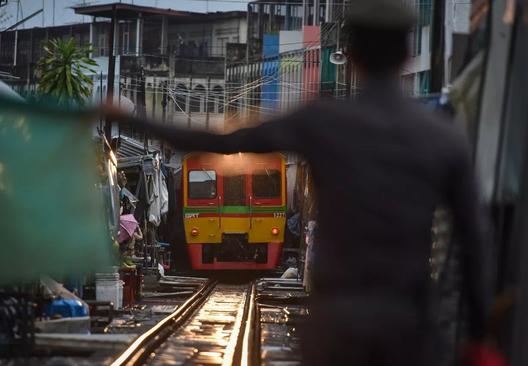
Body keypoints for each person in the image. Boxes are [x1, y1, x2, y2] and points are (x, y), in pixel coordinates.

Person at [124, 1, 492, 364]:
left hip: (337, 323)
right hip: (409, 324)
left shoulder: (322, 122)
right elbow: (474, 242)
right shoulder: (442, 135)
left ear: (350, 56)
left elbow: (220, 143)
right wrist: (480, 337)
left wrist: (128, 116)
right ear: (407, 56)